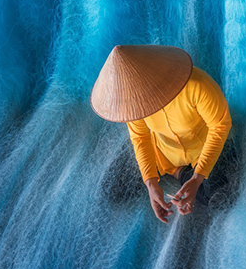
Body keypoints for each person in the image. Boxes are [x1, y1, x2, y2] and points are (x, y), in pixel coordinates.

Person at [91, 45, 232, 222]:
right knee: (111, 188)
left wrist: (197, 177)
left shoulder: (198, 85)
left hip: (203, 150)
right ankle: (177, 172)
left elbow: (220, 127)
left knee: (220, 197)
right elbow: (140, 137)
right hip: (161, 152)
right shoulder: (133, 101)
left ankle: (180, 173)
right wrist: (150, 182)